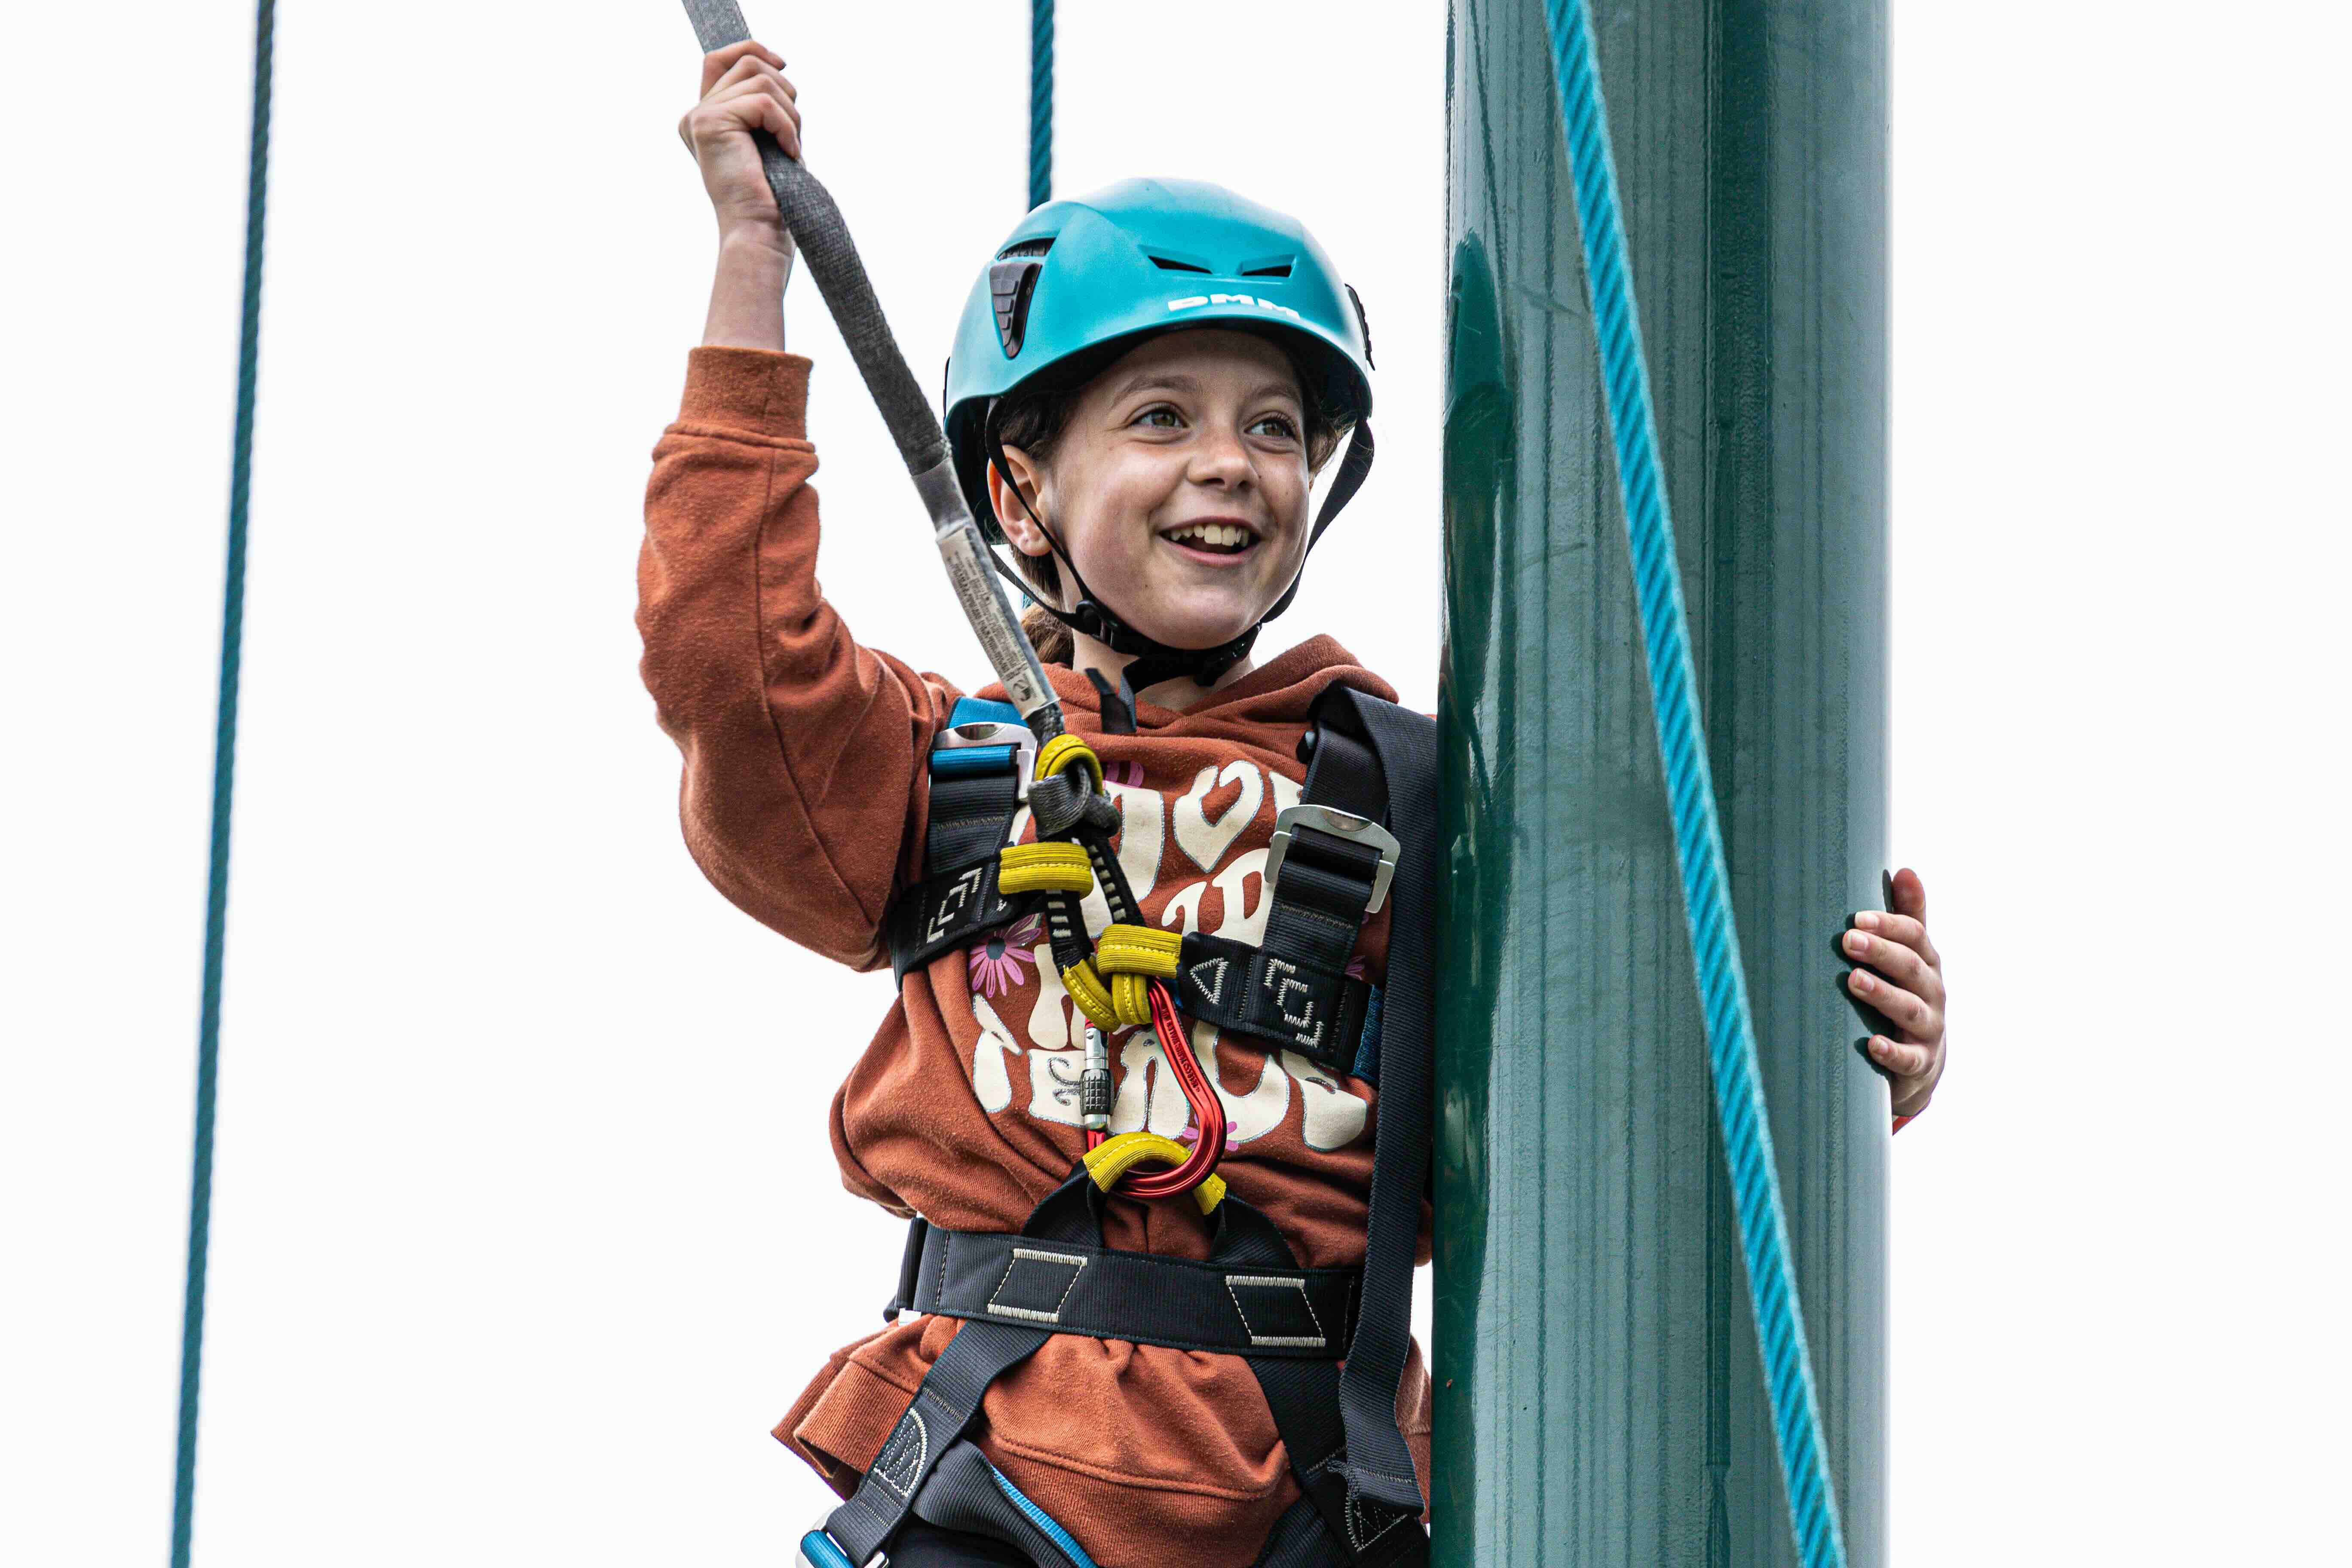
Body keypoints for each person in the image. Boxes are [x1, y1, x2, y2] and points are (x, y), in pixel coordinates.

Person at [639, 40, 1949, 1568]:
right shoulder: (952, 771)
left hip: (1311, 1510)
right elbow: (727, 656)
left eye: (1274, 428)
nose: (1230, 465)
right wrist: (753, 263)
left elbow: (1640, 1071)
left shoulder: (1423, 805)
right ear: (1017, 492)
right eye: (1161, 418)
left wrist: (1854, 1051)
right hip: (993, 1486)